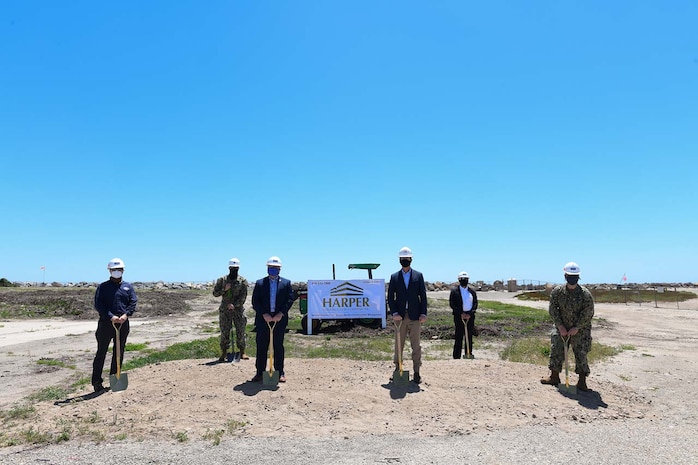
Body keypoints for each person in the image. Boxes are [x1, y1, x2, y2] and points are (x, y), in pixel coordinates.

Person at [540, 261, 595, 392]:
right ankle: (554, 376)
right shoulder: (557, 292)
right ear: (565, 276)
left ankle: (582, 381)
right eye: (570, 275)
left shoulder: (585, 294)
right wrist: (560, 326)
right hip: (561, 328)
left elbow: (588, 313)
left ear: (578, 277)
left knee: (581, 354)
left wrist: (577, 327)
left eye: (574, 276)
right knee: (556, 350)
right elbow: (553, 309)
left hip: (580, 330)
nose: (572, 278)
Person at [91, 258, 137, 392]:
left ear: (123, 271)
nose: (116, 272)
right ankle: (97, 382)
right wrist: (111, 316)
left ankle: (115, 379)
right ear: (110, 271)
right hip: (106, 324)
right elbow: (98, 304)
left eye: (119, 270)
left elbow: (132, 302)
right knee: (101, 352)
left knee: (119, 351)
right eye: (114, 270)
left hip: (123, 324)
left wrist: (126, 315)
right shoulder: (103, 287)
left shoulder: (128, 287)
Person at [250, 256, 295, 383]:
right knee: (262, 346)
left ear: (280, 269)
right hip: (263, 320)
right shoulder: (260, 283)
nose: (273, 270)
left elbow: (290, 299)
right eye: (270, 268)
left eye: (275, 268)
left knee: (278, 346)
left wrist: (281, 314)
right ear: (267, 269)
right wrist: (264, 314)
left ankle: (280, 372)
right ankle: (259, 373)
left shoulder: (286, 283)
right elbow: (255, 301)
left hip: (279, 320)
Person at [387, 246, 428, 384]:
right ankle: (398, 370)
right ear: (400, 260)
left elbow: (422, 296)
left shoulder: (418, 276)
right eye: (403, 259)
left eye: (407, 258)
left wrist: (423, 313)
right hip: (400, 317)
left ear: (411, 259)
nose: (405, 260)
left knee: (416, 346)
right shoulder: (394, 277)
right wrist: (394, 312)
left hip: (415, 317)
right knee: (399, 345)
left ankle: (417, 372)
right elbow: (390, 297)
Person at [212, 258, 249, 362]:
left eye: (236, 268)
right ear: (229, 268)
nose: (234, 270)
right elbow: (215, 293)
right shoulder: (222, 280)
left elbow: (243, 296)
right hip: (225, 310)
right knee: (225, 332)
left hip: (238, 310)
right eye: (232, 268)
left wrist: (235, 305)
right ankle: (224, 352)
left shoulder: (242, 281)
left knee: (240, 331)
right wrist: (224, 289)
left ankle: (242, 351)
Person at [449, 271, 478, 359]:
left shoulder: (472, 291)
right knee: (459, 336)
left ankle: (468, 354)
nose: (464, 281)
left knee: (469, 336)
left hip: (470, 317)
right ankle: (456, 356)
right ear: (459, 280)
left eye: (465, 279)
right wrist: (461, 313)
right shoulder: (454, 291)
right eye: (462, 279)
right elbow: (452, 303)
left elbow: (475, 303)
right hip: (459, 317)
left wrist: (470, 313)